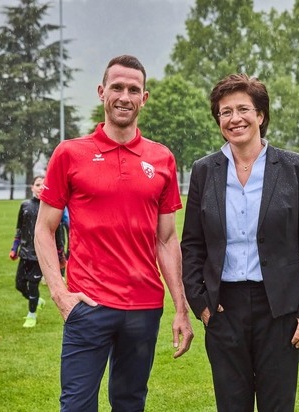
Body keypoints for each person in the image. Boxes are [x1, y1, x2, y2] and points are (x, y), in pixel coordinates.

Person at [34, 54, 193, 411]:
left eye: (133, 90)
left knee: (130, 403)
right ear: (101, 92)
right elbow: (44, 228)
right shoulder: (69, 154)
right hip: (88, 304)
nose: (124, 96)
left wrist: (181, 308)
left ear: (144, 98)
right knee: (76, 405)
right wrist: (60, 293)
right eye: (117, 87)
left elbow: (166, 239)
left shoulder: (162, 159)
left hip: (144, 307)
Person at [181, 73, 299, 412]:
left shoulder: (294, 167)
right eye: (225, 112)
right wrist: (200, 302)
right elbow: (192, 244)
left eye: (243, 109)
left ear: (260, 115)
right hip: (223, 310)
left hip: (280, 310)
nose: (235, 118)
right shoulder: (204, 170)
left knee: (278, 405)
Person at [9, 176, 65, 328]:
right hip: (25, 253)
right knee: (20, 284)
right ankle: (36, 301)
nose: (41, 187)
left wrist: (60, 255)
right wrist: (14, 248)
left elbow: (58, 233)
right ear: (32, 187)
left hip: (41, 254)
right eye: (38, 184)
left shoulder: (52, 208)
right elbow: (19, 229)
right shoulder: (25, 206)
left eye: (43, 185)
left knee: (33, 284)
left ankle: (31, 315)